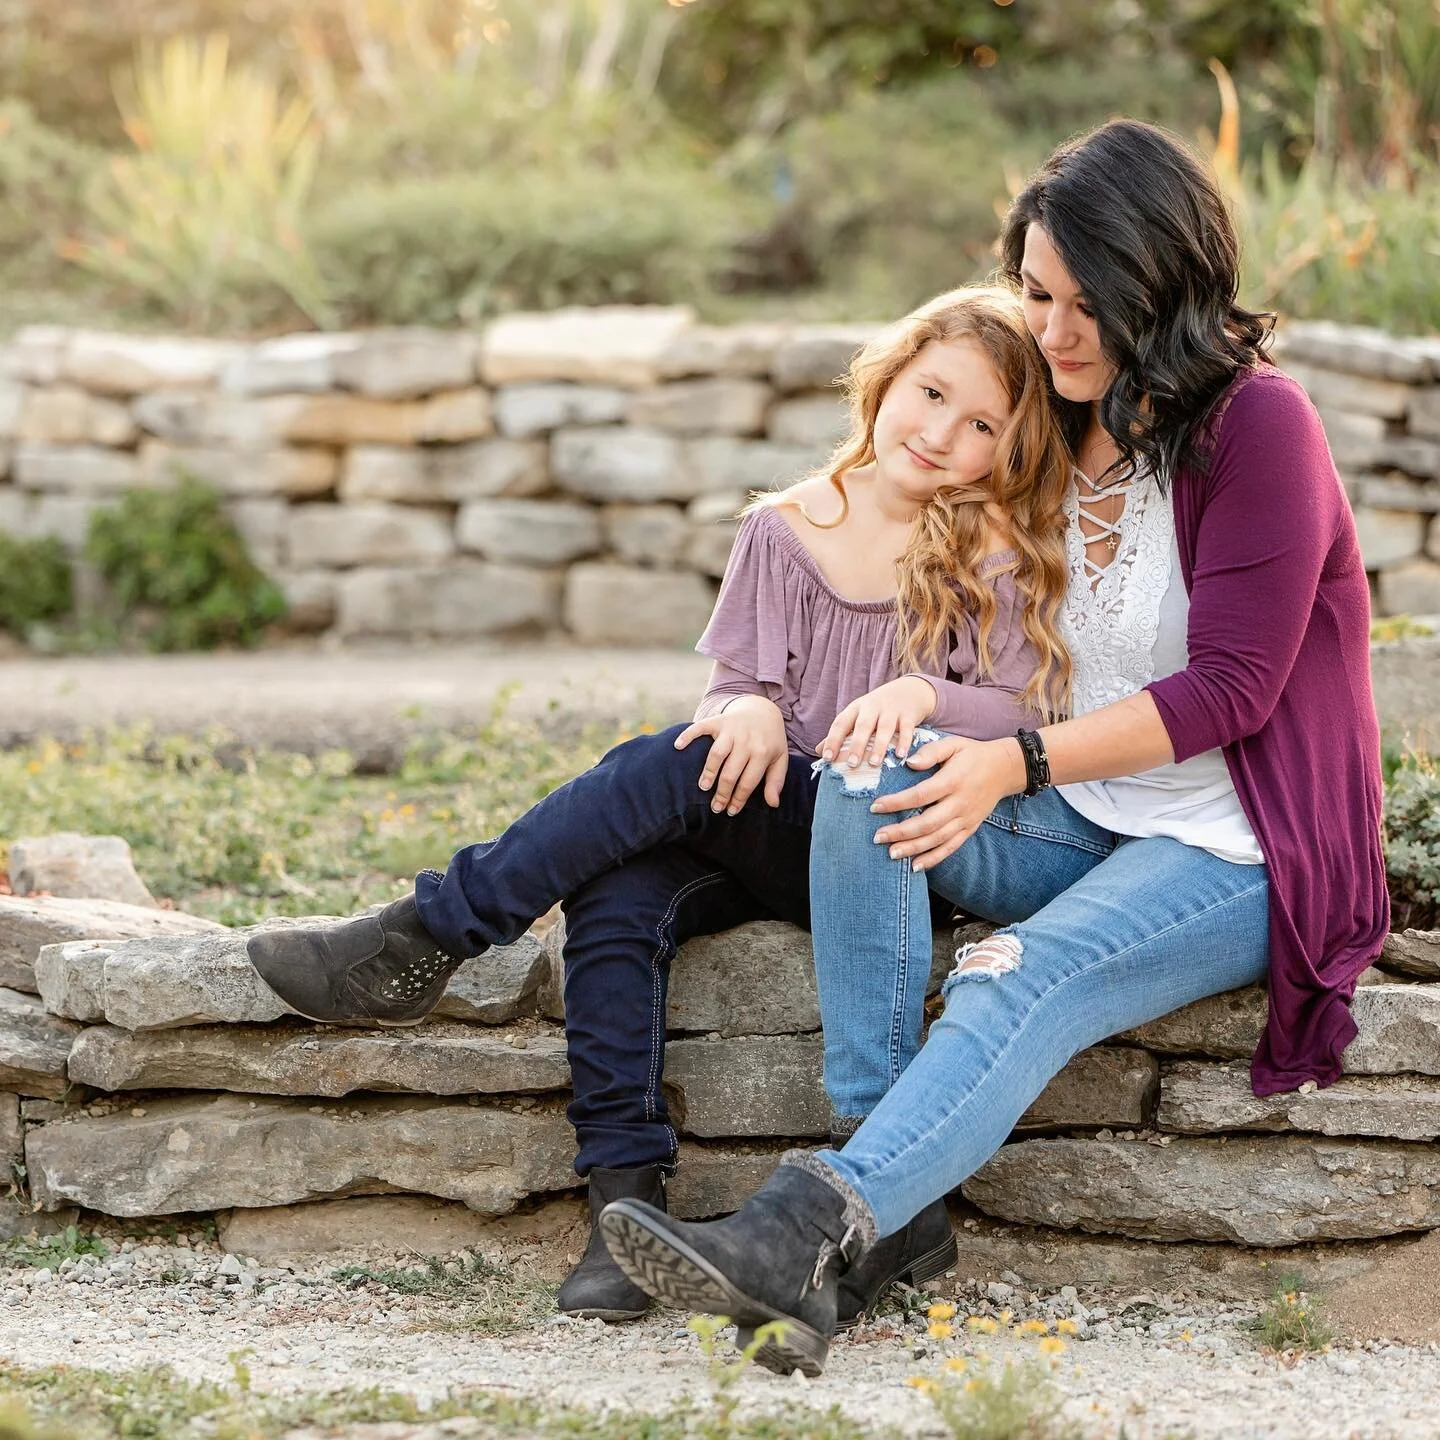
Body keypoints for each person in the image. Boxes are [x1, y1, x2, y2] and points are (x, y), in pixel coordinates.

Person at [598, 118, 1390, 1379]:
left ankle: (809, 1224)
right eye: (1036, 293)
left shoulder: (1261, 431)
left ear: (1166, 281)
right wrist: (873, 694)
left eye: (1091, 301)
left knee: (1014, 972)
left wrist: (1013, 765)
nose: (1056, 331)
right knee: (865, 777)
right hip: (1093, 809)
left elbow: (1235, 690)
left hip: (1240, 840)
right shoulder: (1060, 424)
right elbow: (917, 551)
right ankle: (886, 1213)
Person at [245, 285, 1076, 1324]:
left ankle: (429, 931)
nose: (942, 432)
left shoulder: (986, 545)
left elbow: (1020, 708)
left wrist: (920, 692)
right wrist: (747, 708)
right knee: (619, 888)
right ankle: (621, 1205)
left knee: (664, 768)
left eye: (982, 425)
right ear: (887, 378)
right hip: (765, 821)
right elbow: (735, 691)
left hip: (885, 847)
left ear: (1010, 447)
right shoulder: (784, 529)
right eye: (932, 393)